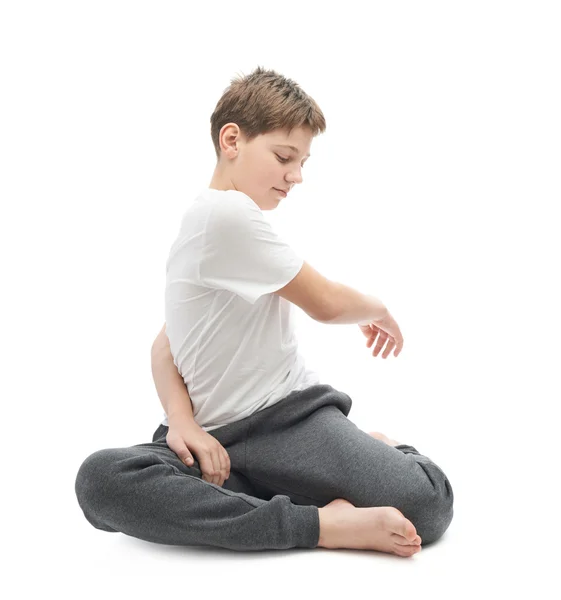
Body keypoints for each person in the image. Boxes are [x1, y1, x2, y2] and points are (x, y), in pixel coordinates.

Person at [75, 66, 454, 557]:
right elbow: (323, 305)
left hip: (289, 424)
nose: (296, 176)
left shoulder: (221, 224)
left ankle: (366, 457)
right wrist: (182, 423)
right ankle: (321, 522)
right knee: (102, 481)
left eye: (303, 161)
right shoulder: (222, 215)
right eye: (284, 157)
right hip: (216, 446)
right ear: (231, 139)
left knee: (428, 504)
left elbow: (166, 343)